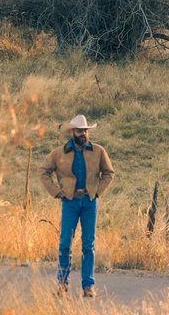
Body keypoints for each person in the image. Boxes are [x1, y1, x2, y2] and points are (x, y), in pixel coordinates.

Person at [40, 114, 114, 298]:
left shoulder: (98, 151)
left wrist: (97, 192)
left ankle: (88, 286)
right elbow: (43, 171)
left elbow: (109, 173)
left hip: (89, 202)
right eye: (80, 130)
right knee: (65, 243)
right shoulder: (59, 153)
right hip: (70, 202)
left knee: (89, 245)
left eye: (86, 131)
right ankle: (62, 284)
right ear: (72, 132)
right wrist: (56, 192)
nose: (83, 134)